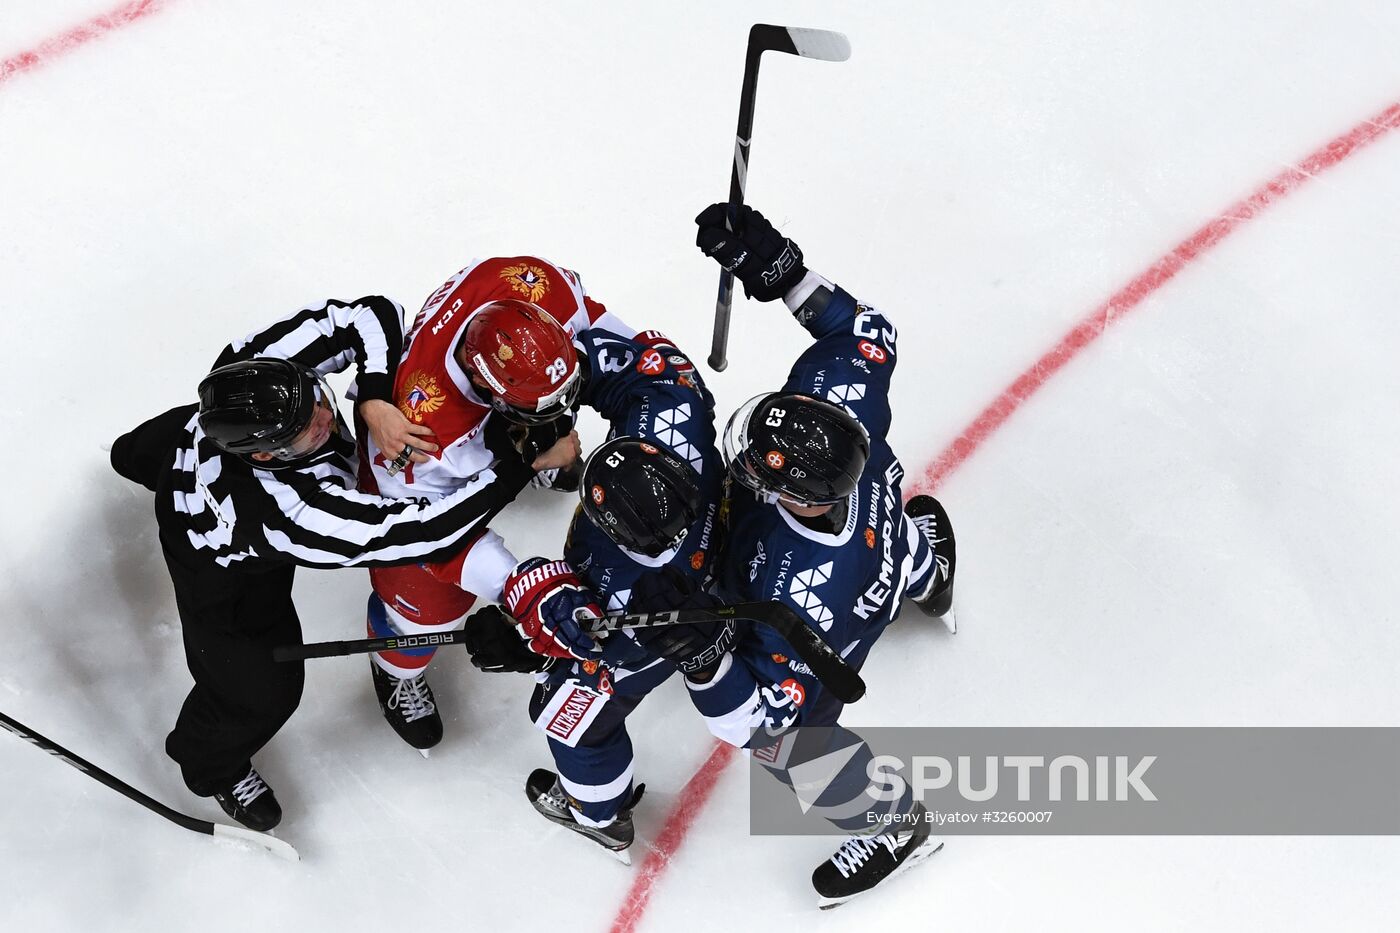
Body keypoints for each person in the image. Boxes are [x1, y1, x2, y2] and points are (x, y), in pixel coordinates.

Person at [109, 296, 546, 832]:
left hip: (183, 437)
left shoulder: (254, 370)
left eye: (316, 398)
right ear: (266, 456)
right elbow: (423, 531)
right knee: (260, 689)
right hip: (221, 564)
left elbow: (368, 315)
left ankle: (129, 455)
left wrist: (375, 399)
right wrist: (520, 464)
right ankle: (208, 765)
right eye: (310, 430)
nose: (324, 415)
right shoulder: (286, 515)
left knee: (139, 449)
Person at [673, 203, 958, 907]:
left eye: (766, 475)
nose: (749, 467)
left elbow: (760, 722)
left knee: (793, 750)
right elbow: (868, 333)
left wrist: (703, 660)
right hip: (883, 542)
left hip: (831, 633)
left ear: (798, 498)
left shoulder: (794, 594)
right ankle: (931, 577)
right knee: (899, 543)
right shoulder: (839, 406)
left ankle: (895, 823)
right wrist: (782, 269)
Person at [352, 257, 697, 752]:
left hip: (493, 409)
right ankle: (395, 666)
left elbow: (594, 329)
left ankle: (537, 441)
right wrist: (516, 585)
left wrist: (648, 377)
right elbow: (430, 535)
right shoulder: (419, 437)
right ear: (483, 383)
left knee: (546, 404)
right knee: (429, 602)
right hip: (411, 491)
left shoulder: (538, 284)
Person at [462, 317, 725, 859]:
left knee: (571, 724)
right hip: (726, 556)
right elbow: (651, 365)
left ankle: (599, 816)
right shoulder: (678, 416)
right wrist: (549, 370)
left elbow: (584, 646)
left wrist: (526, 643)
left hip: (657, 633)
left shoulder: (627, 593)